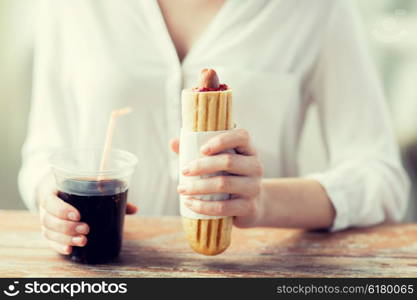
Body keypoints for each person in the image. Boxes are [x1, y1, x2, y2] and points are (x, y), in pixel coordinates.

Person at [19, 0, 409, 255]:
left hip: (256, 270)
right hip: (112, 269)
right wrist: (52, 202)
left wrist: (265, 201)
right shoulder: (70, 7)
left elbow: (382, 179)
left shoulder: (316, 9)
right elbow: (43, 154)